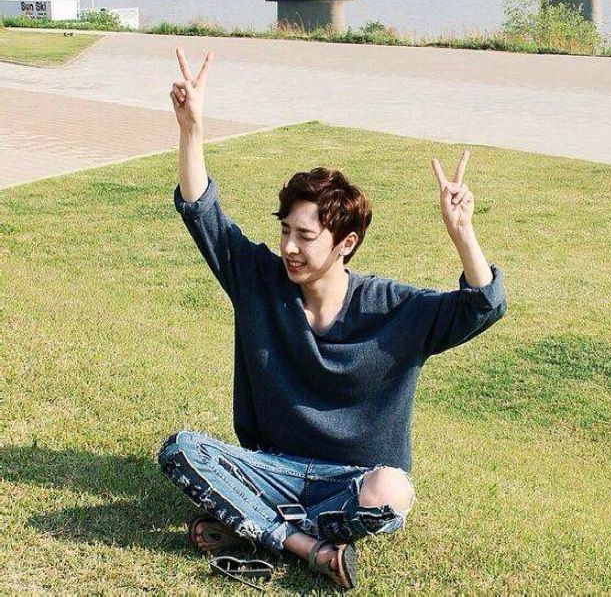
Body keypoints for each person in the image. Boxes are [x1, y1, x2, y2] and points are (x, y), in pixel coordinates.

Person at [157, 47, 506, 590]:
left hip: (351, 482)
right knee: (183, 450)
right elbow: (203, 213)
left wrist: (463, 234)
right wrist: (191, 130)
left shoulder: (393, 307)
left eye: (306, 236)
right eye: (285, 231)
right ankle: (307, 545)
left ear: (346, 243)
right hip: (272, 467)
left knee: (393, 494)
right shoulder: (261, 281)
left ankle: (255, 527)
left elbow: (482, 306)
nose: (289, 247)